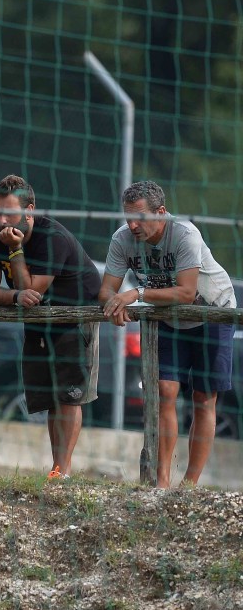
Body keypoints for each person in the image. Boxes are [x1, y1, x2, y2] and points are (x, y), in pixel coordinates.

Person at [99, 180, 236, 489]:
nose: (132, 225)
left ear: (161, 212)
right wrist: (114, 303)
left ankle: (188, 486)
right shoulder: (121, 239)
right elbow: (107, 289)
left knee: (203, 398)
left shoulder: (185, 234)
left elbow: (186, 292)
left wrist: (135, 294)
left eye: (140, 217)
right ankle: (161, 484)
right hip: (170, 318)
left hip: (212, 312)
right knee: (164, 391)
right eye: (128, 217)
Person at [0, 174, 101, 480]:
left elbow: (32, 291)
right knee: (48, 397)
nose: (2, 221)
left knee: (68, 396)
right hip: (37, 320)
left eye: (10, 213)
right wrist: (14, 297)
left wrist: (15, 251)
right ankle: (56, 469)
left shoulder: (52, 237)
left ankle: (62, 471)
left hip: (73, 316)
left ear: (29, 210)